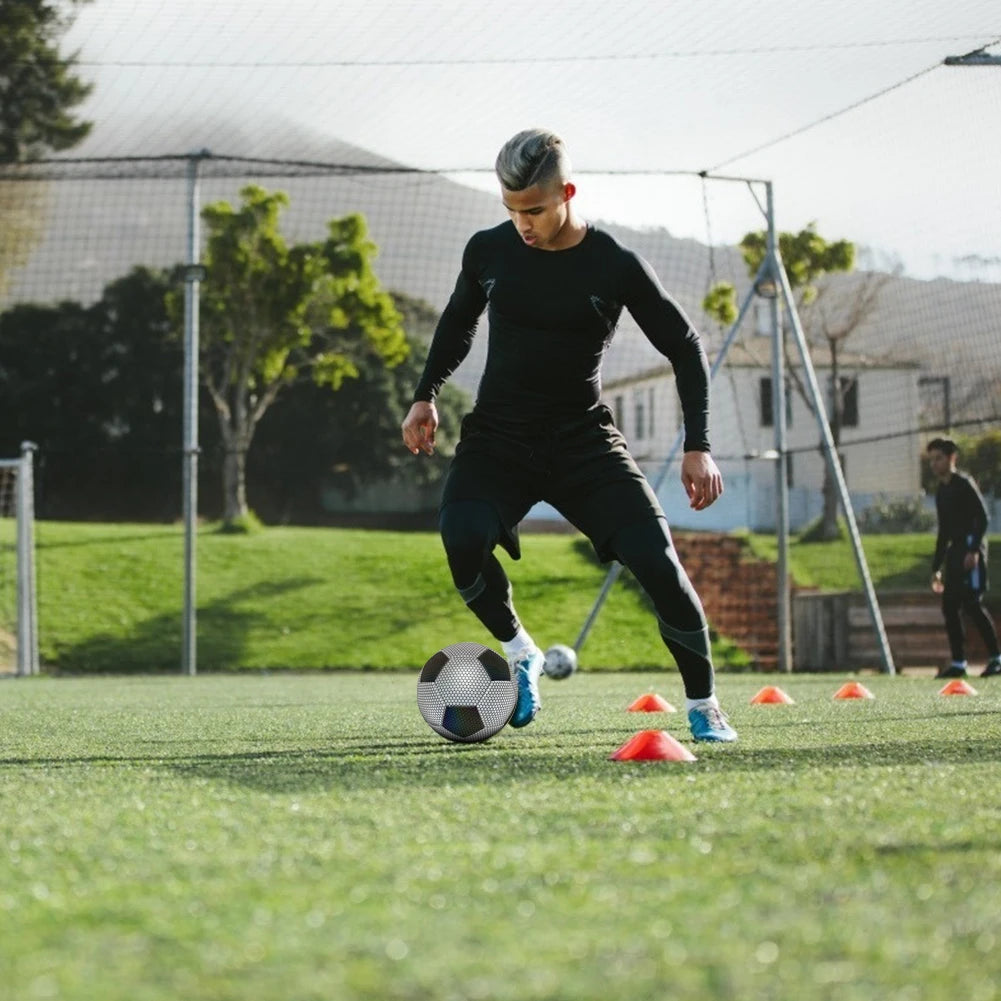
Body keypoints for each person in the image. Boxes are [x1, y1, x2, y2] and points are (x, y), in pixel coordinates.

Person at [401, 128, 737, 742]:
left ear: (567, 194)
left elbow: (686, 346)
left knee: (661, 566)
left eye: (534, 209)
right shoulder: (488, 252)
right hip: (500, 437)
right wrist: (424, 395)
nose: (522, 223)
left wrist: (699, 444)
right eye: (511, 209)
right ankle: (520, 651)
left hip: (585, 442)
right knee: (461, 534)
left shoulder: (614, 264)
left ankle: (704, 705)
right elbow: (456, 323)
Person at [926, 437, 1001, 678]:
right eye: (932, 460)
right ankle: (959, 663)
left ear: (951, 458)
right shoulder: (942, 492)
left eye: (938, 458)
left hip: (971, 549)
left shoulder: (964, 484)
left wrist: (974, 551)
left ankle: (997, 659)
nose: (934, 464)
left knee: (972, 604)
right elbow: (944, 532)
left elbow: (983, 518)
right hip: (955, 553)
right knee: (949, 606)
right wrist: (936, 567)